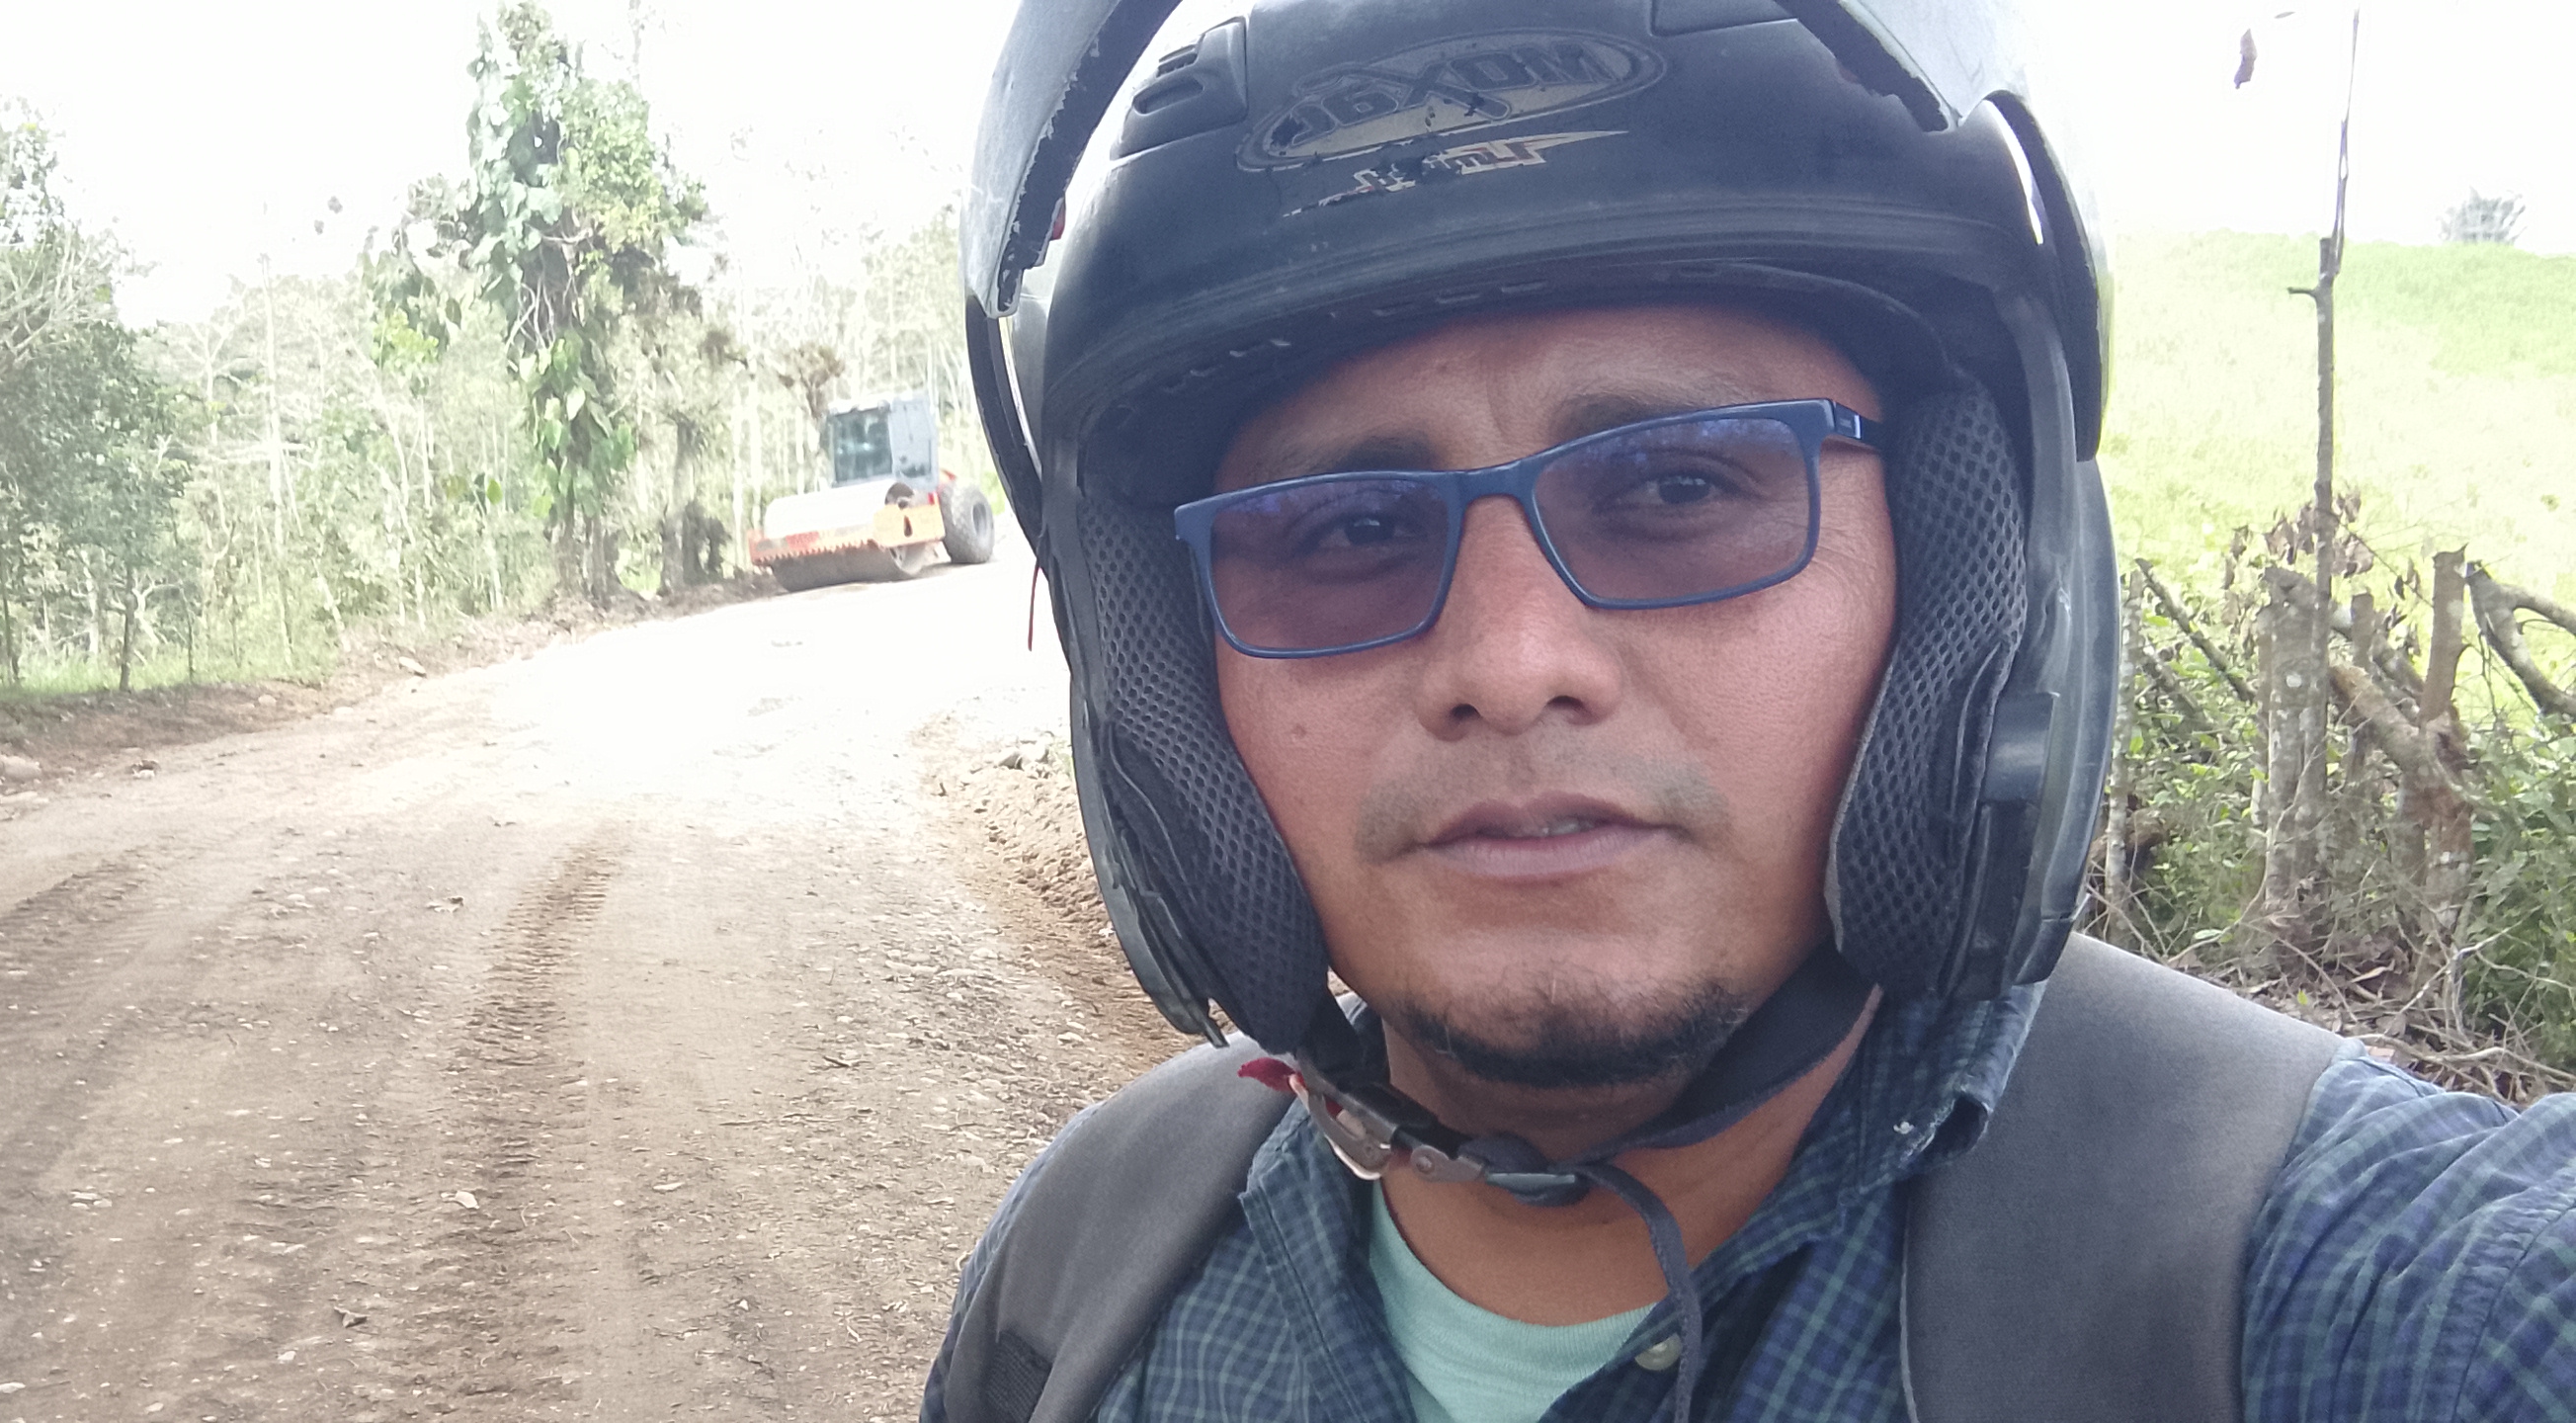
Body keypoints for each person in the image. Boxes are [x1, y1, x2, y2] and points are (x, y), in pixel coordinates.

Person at [921, 1, 2576, 1420]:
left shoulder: (2346, 1288)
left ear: (1962, 589)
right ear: (1167, 686)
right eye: (1345, 534)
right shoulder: (1079, 1292)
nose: (1514, 660)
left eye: (1680, 488)